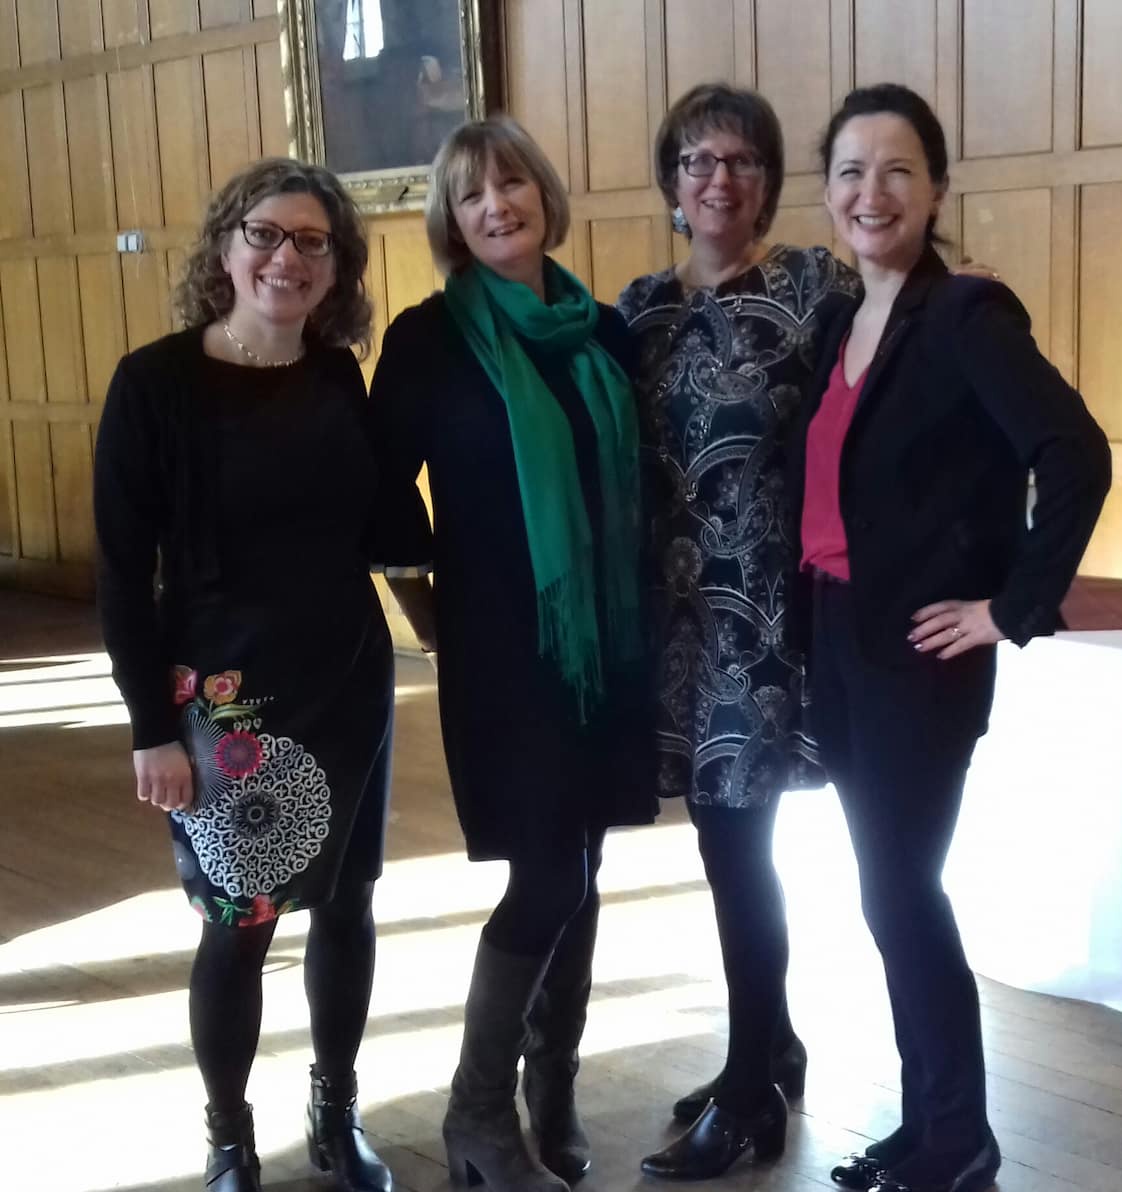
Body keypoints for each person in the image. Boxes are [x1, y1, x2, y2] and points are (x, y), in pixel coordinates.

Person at [793, 84, 1111, 1192]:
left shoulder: (967, 313)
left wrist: (1007, 608)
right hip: (838, 639)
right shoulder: (842, 320)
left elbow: (1074, 453)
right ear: (827, 191)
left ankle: (959, 1137)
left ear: (936, 189)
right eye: (850, 171)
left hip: (920, 658)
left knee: (902, 892)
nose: (871, 192)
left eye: (897, 170)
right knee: (884, 894)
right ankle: (928, 1119)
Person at [367, 116, 657, 1192]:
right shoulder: (428, 340)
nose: (497, 204)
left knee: (584, 866)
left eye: (513, 182)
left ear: (545, 194)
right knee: (547, 873)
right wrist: (431, 612)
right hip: (502, 654)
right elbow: (379, 491)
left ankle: (553, 1091)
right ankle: (478, 1115)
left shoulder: (604, 331)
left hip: (606, 647)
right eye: (472, 193)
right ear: (452, 219)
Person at [94, 158, 394, 1192]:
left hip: (348, 681)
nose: (286, 257)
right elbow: (122, 573)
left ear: (336, 268)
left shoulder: (337, 375)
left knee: (349, 903)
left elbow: (376, 526)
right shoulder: (155, 383)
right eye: (265, 233)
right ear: (226, 249)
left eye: (313, 241)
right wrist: (149, 727)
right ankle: (229, 1138)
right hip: (228, 706)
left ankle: (335, 1113)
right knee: (239, 925)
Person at [617, 83, 860, 1180]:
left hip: (769, 618)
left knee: (737, 852)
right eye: (699, 160)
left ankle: (750, 1094)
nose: (721, 179)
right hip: (677, 619)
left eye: (744, 161)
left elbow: (902, 349)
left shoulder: (814, 289)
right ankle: (772, 1045)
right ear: (672, 181)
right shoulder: (639, 313)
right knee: (728, 846)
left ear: (768, 181)